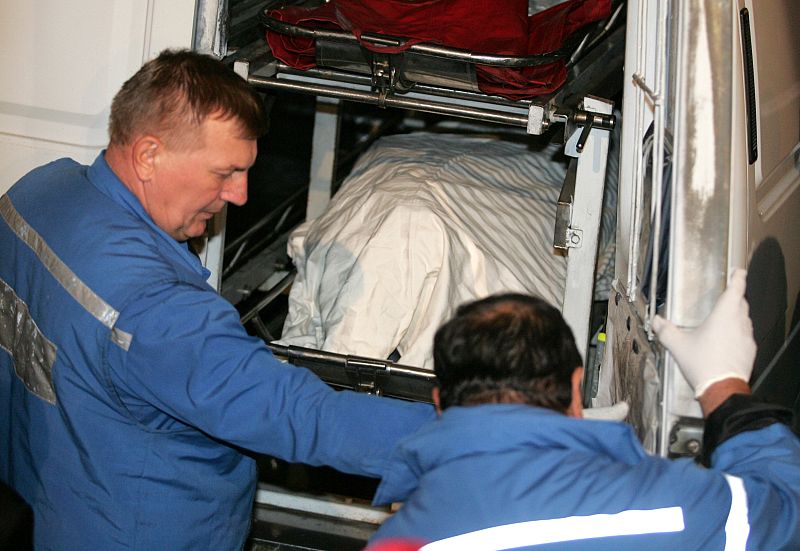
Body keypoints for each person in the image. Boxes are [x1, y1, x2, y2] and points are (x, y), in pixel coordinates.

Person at [0, 49, 435, 551]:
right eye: (224, 172)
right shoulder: (161, 312)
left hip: (46, 502)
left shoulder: (35, 193)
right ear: (148, 155)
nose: (241, 195)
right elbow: (300, 414)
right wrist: (472, 439)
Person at [367, 270, 800, 550]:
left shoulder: (397, 543)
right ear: (577, 389)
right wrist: (723, 387)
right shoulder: (671, 509)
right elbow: (788, 517)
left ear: (439, 403)